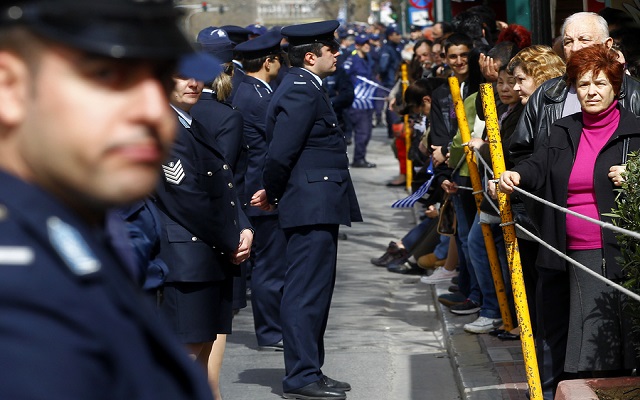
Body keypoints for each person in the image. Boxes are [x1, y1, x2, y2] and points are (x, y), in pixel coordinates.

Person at [0, 0, 218, 398]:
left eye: (161, 76)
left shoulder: (73, 229)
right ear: (10, 87)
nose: (153, 110)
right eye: (107, 75)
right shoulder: (19, 299)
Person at [507, 12, 640, 399]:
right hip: (561, 248)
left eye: (599, 83)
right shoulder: (564, 129)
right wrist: (517, 176)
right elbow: (536, 162)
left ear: (615, 86)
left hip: (614, 252)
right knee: (561, 332)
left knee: (608, 339)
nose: (592, 91)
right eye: (583, 85)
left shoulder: (634, 128)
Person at [250, 20, 362, 400]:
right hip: (308, 203)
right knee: (305, 292)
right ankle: (300, 376)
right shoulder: (300, 89)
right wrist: (274, 191)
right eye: (331, 49)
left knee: (316, 290)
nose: (338, 53)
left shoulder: (309, 86)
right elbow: (281, 153)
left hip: (317, 203)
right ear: (312, 56)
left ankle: (311, 369)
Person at [154, 55, 253, 400]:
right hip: (187, 260)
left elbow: (223, 187)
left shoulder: (191, 124)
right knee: (185, 354)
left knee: (202, 349)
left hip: (208, 256)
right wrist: (231, 239)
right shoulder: (166, 129)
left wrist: (244, 227)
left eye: (197, 78)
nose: (193, 84)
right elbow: (187, 198)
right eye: (182, 78)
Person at [232, 31, 287, 352]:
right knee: (270, 266)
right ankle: (270, 331)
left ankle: (273, 327)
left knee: (271, 263)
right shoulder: (259, 98)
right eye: (278, 60)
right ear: (268, 62)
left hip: (257, 191)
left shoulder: (250, 91)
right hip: (261, 194)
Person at [344, 33, 377, 168]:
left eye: (368, 43)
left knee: (367, 132)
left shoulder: (367, 59)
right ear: (357, 46)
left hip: (368, 100)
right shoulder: (352, 60)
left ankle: (361, 157)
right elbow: (343, 77)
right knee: (362, 132)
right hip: (357, 102)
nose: (367, 46)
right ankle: (358, 159)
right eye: (364, 44)